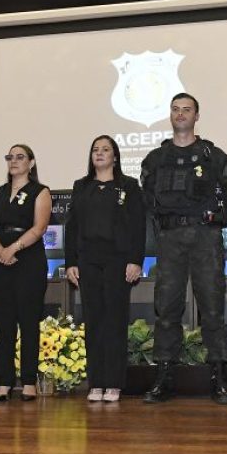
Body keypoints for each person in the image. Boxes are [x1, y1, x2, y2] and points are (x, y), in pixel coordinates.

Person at [140, 93, 227, 404]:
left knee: (212, 307)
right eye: (175, 110)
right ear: (170, 115)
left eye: (186, 110)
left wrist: (219, 219)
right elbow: (146, 198)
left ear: (197, 116)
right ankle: (165, 375)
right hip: (170, 239)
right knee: (167, 309)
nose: (180, 114)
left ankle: (219, 376)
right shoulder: (156, 159)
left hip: (205, 238)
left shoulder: (213, 155)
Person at [65, 136, 146, 403]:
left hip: (118, 262)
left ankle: (114, 383)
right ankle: (96, 382)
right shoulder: (81, 186)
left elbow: (138, 226)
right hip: (88, 262)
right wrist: (71, 262)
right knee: (94, 322)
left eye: (105, 150)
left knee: (114, 322)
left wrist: (135, 260)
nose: (99, 154)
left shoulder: (129, 186)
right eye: (95, 150)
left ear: (115, 156)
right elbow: (72, 227)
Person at [0, 144, 52, 402]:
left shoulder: (40, 191)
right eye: (10, 157)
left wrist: (14, 248)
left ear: (31, 163)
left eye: (20, 157)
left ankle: (28, 382)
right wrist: (1, 250)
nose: (14, 161)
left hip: (28, 259)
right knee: (3, 324)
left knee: (28, 321)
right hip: (1, 260)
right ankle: (4, 383)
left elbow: (40, 227)